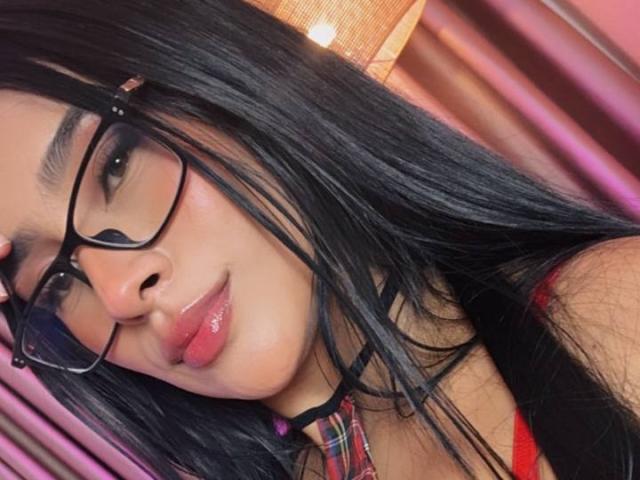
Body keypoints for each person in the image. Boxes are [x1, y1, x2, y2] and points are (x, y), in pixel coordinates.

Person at [0, 1, 639, 479]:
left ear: (216, 77)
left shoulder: (612, 315)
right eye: (54, 282)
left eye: (115, 167)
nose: (117, 293)